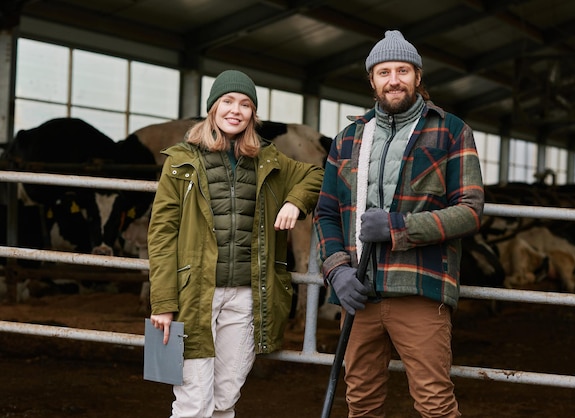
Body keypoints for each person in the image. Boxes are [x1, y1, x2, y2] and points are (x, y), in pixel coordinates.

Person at [313, 30, 484, 417]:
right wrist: (336, 270)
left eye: (403, 70)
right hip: (358, 291)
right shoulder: (348, 139)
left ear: (418, 77)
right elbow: (325, 213)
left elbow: (470, 210)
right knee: (362, 403)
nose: (394, 80)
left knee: (434, 404)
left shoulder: (451, 130)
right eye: (384, 71)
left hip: (419, 287)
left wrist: (399, 228)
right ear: (372, 80)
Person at [148, 69, 324, 418]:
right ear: (212, 108)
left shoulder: (268, 158)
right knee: (194, 400)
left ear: (252, 114)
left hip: (246, 297)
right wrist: (164, 301)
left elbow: (316, 173)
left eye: (245, 104)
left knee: (226, 397)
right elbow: (162, 233)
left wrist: (294, 202)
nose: (236, 110)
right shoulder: (181, 162)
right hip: (195, 295)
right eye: (228, 101)